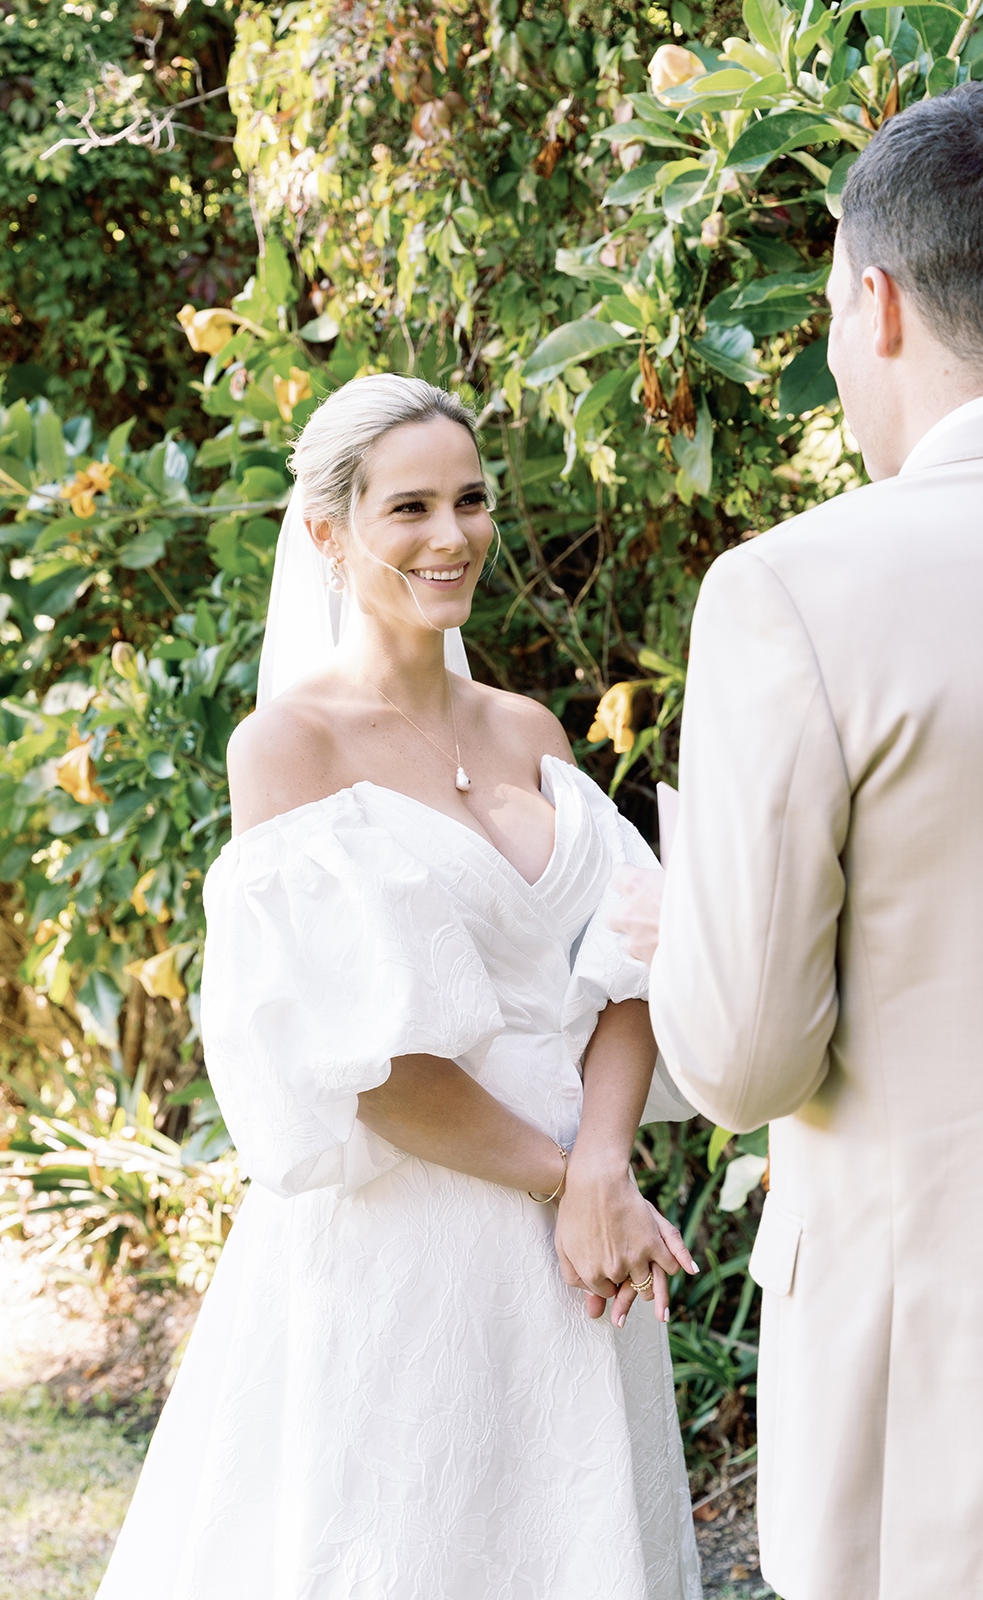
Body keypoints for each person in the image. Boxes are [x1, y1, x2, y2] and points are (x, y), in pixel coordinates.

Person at [96, 373, 704, 1600]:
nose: (451, 536)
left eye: (470, 501)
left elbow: (627, 960)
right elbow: (359, 1065)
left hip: (576, 1229)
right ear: (327, 533)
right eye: (409, 507)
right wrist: (566, 1179)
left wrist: (599, 1171)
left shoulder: (530, 726)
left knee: (570, 1537)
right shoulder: (289, 747)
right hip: (411, 1229)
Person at [612, 84, 983, 1600]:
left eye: (829, 302)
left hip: (932, 1353)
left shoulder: (797, 591)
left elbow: (746, 1056)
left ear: (877, 302)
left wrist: (678, 940)